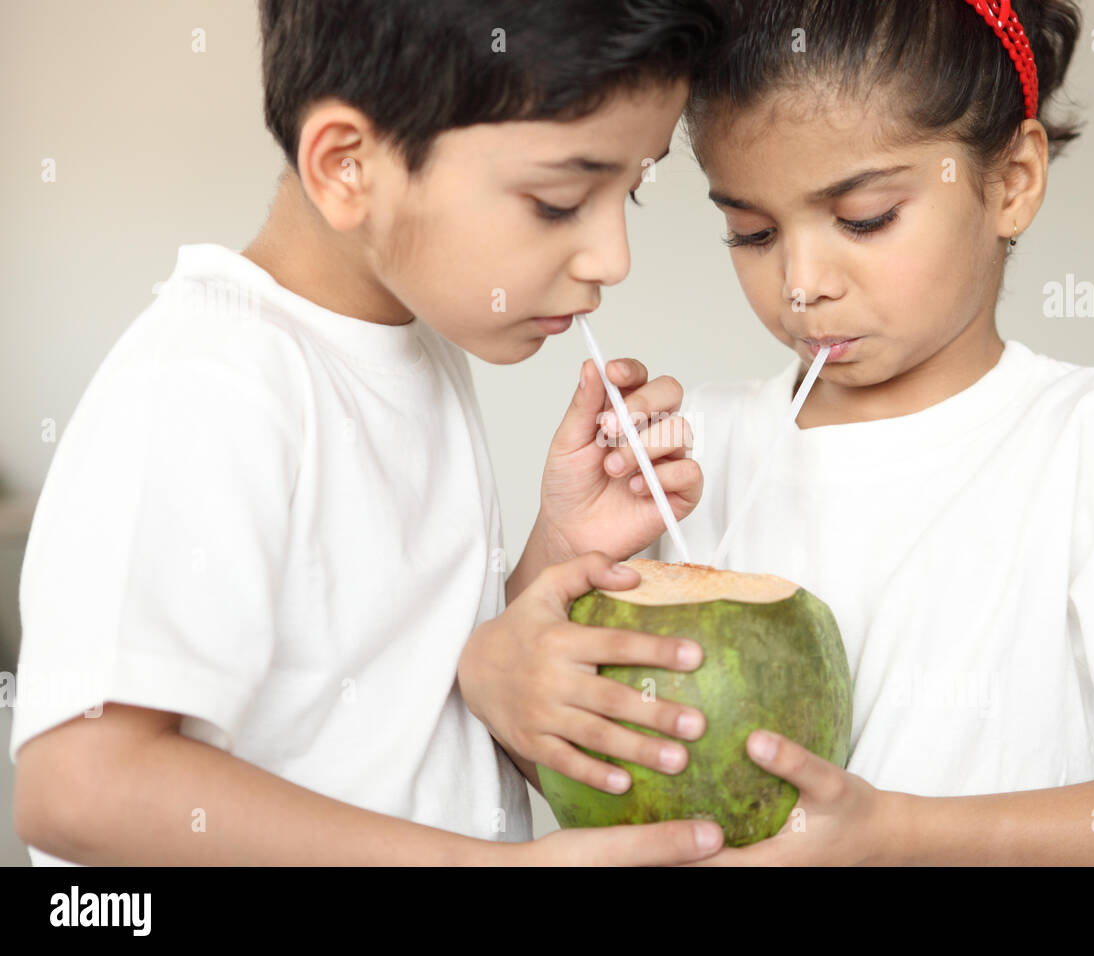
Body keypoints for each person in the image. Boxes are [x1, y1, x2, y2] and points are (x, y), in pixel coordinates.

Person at [11, 0, 729, 865]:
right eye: (559, 200)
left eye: (633, 193)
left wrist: (559, 545)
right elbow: (81, 783)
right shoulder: (210, 380)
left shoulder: (411, 346)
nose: (612, 257)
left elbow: (412, 725)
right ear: (347, 166)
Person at [636, 0, 1094, 864]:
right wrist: (563, 537)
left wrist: (898, 836)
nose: (800, 284)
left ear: (1012, 182)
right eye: (752, 232)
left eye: (864, 217)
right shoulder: (695, 451)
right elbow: (556, 749)